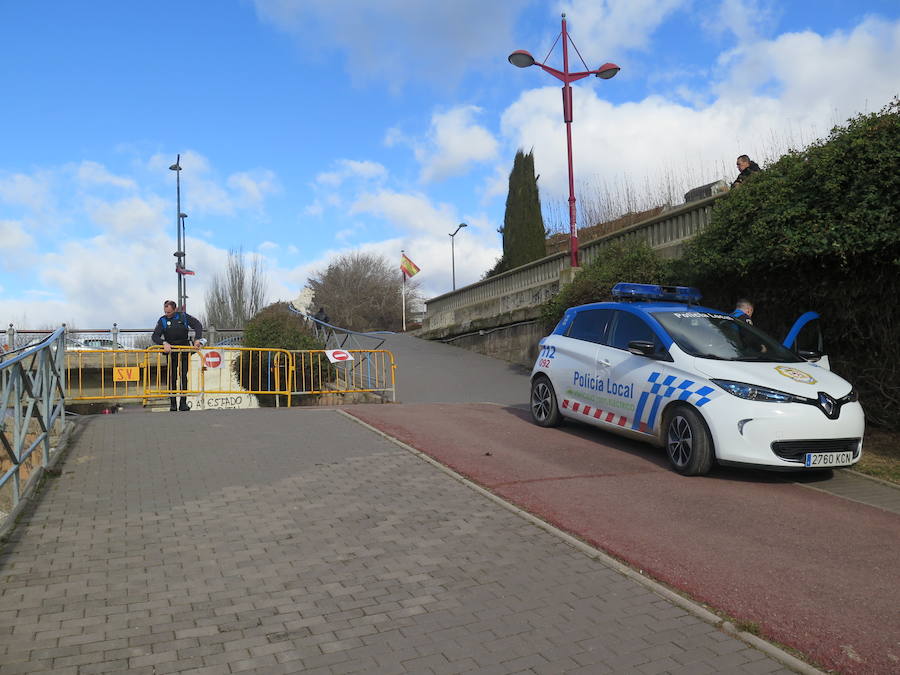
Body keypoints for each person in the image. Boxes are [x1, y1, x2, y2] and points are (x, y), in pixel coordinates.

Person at [151, 300, 203, 412]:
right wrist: (163, 343)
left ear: (175, 309)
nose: (167, 314)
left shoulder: (183, 317)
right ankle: (173, 404)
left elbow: (197, 325)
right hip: (171, 352)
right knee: (172, 377)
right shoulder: (162, 320)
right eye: (165, 312)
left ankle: (183, 403)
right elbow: (155, 336)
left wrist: (197, 339)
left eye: (169, 312)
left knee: (183, 376)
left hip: (184, 349)